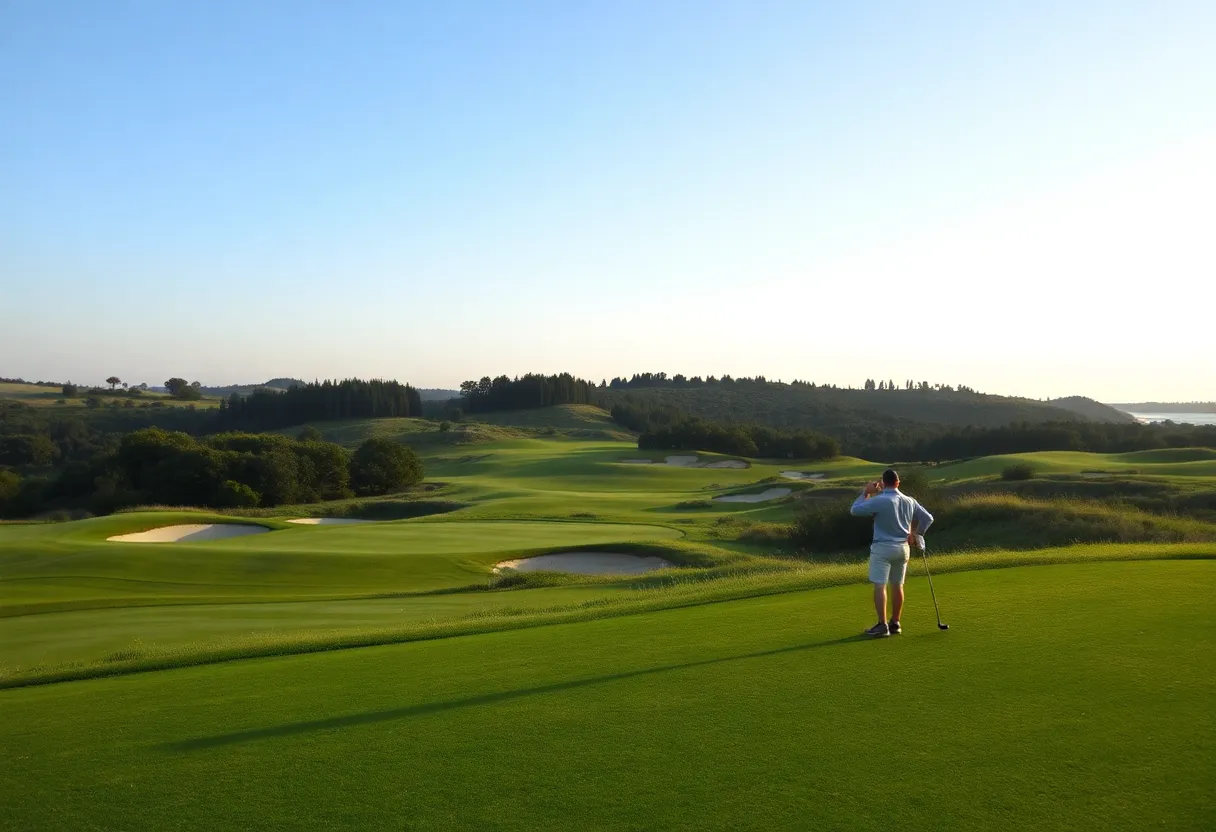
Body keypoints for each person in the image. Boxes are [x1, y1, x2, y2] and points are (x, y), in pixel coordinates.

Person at [850, 468, 933, 637]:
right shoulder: (910, 500)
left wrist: (866, 492)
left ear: (882, 482)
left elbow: (855, 510)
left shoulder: (880, 500)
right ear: (898, 482)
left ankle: (882, 625)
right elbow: (928, 518)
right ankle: (895, 623)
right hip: (903, 548)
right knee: (897, 585)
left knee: (880, 586)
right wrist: (916, 535)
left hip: (882, 548)